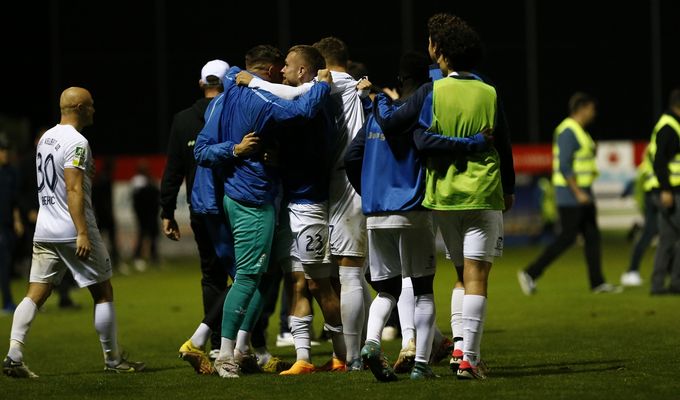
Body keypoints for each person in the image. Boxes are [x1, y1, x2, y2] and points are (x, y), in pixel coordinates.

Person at [374, 13, 516, 380]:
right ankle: (469, 358)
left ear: (439, 52)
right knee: (477, 277)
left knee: (459, 273)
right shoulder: (488, 91)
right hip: (483, 192)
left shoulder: (431, 91)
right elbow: (503, 143)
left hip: (444, 196)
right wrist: (510, 187)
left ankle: (456, 350)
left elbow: (415, 136)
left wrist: (374, 99)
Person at [346, 50, 491, 381]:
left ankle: (370, 344)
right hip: (413, 210)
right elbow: (430, 144)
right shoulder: (422, 114)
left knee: (386, 290)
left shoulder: (374, 114)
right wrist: (475, 142)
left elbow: (351, 158)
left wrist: (367, 191)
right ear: (427, 81)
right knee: (422, 289)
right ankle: (422, 365)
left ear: (399, 80)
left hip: (376, 212)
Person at [194, 44, 333, 378]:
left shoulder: (220, 101)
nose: (283, 71)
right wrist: (323, 85)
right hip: (253, 199)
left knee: (266, 278)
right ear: (270, 71)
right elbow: (305, 109)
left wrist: (231, 149)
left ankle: (241, 348)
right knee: (248, 277)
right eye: (281, 66)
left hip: (238, 196)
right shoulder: (260, 99)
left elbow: (201, 150)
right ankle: (225, 353)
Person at [2, 87, 144, 378]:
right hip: (72, 227)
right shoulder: (77, 141)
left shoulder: (46, 138)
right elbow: (73, 188)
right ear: (79, 106)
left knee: (34, 294)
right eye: (90, 105)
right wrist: (82, 231)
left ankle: (14, 355)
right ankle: (113, 360)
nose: (94, 110)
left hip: (45, 228)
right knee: (103, 292)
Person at [236, 44, 347, 375]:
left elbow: (309, 138)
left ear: (302, 71)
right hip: (289, 203)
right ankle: (303, 359)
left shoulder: (318, 98)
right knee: (296, 281)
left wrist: (254, 84)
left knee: (319, 284)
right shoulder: (297, 98)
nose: (280, 70)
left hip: (311, 204)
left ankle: (342, 355)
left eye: (287, 65)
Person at [160, 59, 234, 363]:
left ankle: (217, 342)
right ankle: (236, 342)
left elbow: (173, 170)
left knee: (212, 277)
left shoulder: (183, 119)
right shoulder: (233, 112)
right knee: (247, 275)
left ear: (201, 84)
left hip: (199, 209)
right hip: (234, 206)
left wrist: (167, 211)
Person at [517, 92, 621, 295]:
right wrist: (578, 192)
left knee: (592, 236)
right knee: (567, 238)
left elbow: (581, 159)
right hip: (572, 195)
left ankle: (597, 282)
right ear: (581, 109)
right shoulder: (568, 131)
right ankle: (530, 272)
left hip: (583, 193)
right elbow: (564, 166)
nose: (594, 113)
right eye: (591, 109)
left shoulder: (580, 131)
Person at [648, 88, 680, 295]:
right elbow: (660, 162)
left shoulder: (670, 124)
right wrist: (666, 190)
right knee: (669, 239)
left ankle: (658, 285)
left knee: (667, 239)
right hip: (670, 192)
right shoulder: (669, 127)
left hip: (666, 191)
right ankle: (676, 283)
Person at [620, 149, 658, 286]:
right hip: (651, 208)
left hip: (650, 207)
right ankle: (631, 271)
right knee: (648, 236)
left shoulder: (644, 169)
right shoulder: (646, 170)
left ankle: (632, 271)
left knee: (663, 237)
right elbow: (641, 194)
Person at [0, 135, 23, 314]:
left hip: (7, 225)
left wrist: (17, 220)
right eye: (2, 151)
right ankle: (7, 302)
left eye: (6, 150)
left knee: (6, 264)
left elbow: (15, 201)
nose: (4, 154)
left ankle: (7, 302)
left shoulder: (12, 172)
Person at [131, 160, 160, 270]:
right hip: (143, 214)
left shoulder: (149, 180)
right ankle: (137, 256)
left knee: (153, 235)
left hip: (152, 213)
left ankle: (154, 256)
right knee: (142, 234)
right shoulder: (137, 181)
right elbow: (137, 200)